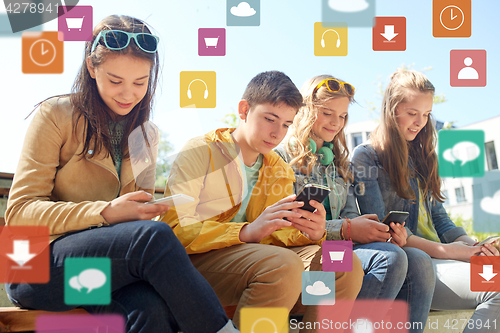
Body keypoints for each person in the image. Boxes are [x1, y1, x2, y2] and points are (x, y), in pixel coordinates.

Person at [5, 15, 238, 333]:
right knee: (152, 240)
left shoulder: (147, 135)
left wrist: (154, 211)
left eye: (140, 83)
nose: (128, 94)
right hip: (33, 270)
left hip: (96, 272)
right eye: (115, 81)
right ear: (91, 67)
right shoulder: (55, 115)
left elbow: (134, 225)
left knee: (152, 311)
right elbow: (19, 213)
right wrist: (105, 212)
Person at [159, 71, 364, 333]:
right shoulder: (200, 151)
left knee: (344, 261)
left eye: (287, 125)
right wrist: (246, 231)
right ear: (244, 110)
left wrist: (313, 233)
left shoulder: (278, 167)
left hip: (255, 260)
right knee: (283, 265)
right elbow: (174, 230)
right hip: (195, 263)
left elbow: (277, 235)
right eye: (270, 119)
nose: (277, 132)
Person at [274, 74, 434, 333]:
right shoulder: (280, 158)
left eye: (342, 116)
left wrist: (373, 230)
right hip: (304, 253)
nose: (336, 123)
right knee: (389, 259)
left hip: (338, 249)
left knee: (417, 259)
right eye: (327, 113)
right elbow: (290, 225)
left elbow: (349, 214)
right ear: (304, 111)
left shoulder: (338, 164)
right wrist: (346, 228)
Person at [351, 69, 500, 333]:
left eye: (426, 114)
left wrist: (473, 245)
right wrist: (457, 252)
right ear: (392, 109)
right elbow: (385, 231)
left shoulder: (420, 156)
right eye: (412, 113)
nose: (420, 122)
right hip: (418, 262)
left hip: (444, 257)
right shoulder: (367, 157)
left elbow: (440, 219)